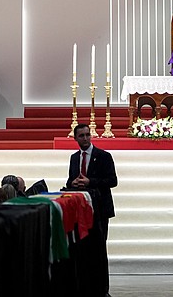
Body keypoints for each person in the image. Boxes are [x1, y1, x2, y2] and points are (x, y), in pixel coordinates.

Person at [65, 123, 117, 297]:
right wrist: (72, 183)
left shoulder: (103, 156)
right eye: (82, 136)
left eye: (88, 135)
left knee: (99, 251)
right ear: (75, 138)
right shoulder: (74, 158)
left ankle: (103, 289)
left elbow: (112, 181)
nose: (86, 138)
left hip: (99, 210)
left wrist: (90, 182)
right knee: (82, 251)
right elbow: (69, 180)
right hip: (79, 211)